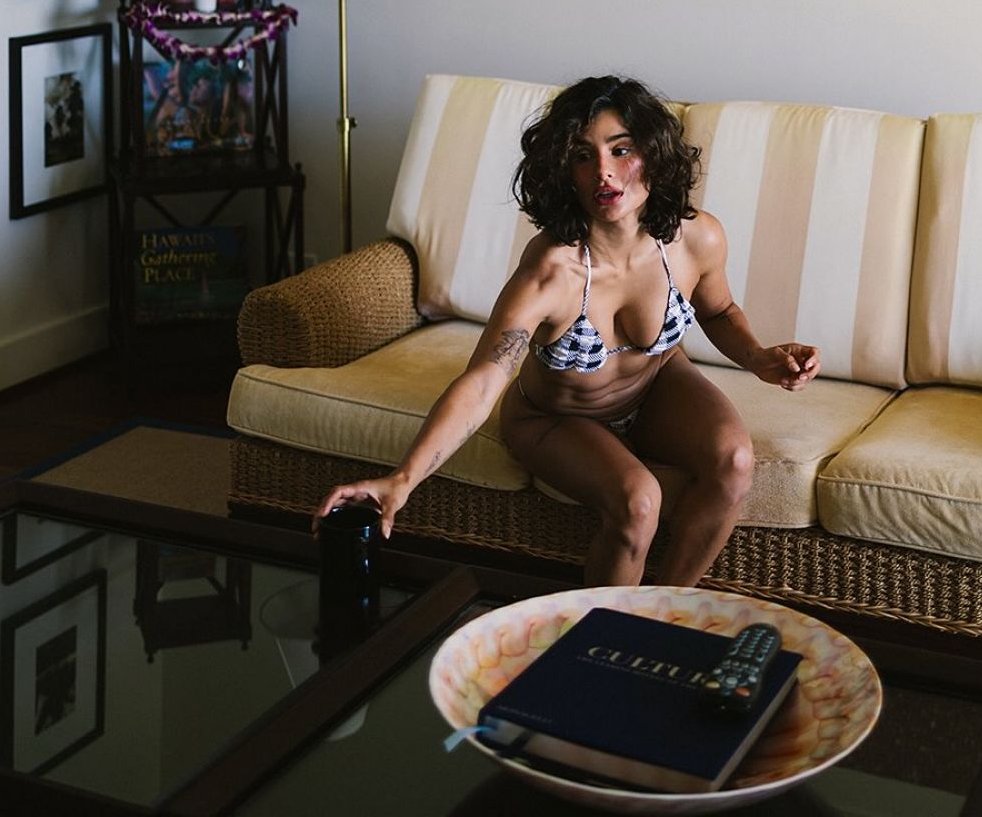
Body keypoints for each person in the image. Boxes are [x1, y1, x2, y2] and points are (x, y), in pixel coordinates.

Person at [314, 77, 820, 587]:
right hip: (554, 416)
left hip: (655, 387)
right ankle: (604, 628)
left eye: (621, 149)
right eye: (582, 155)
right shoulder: (552, 271)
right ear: (563, 171)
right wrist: (402, 480)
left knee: (734, 461)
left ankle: (664, 609)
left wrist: (758, 357)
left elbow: (719, 310)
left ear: (654, 153)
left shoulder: (695, 238)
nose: (604, 171)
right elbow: (484, 381)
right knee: (639, 500)